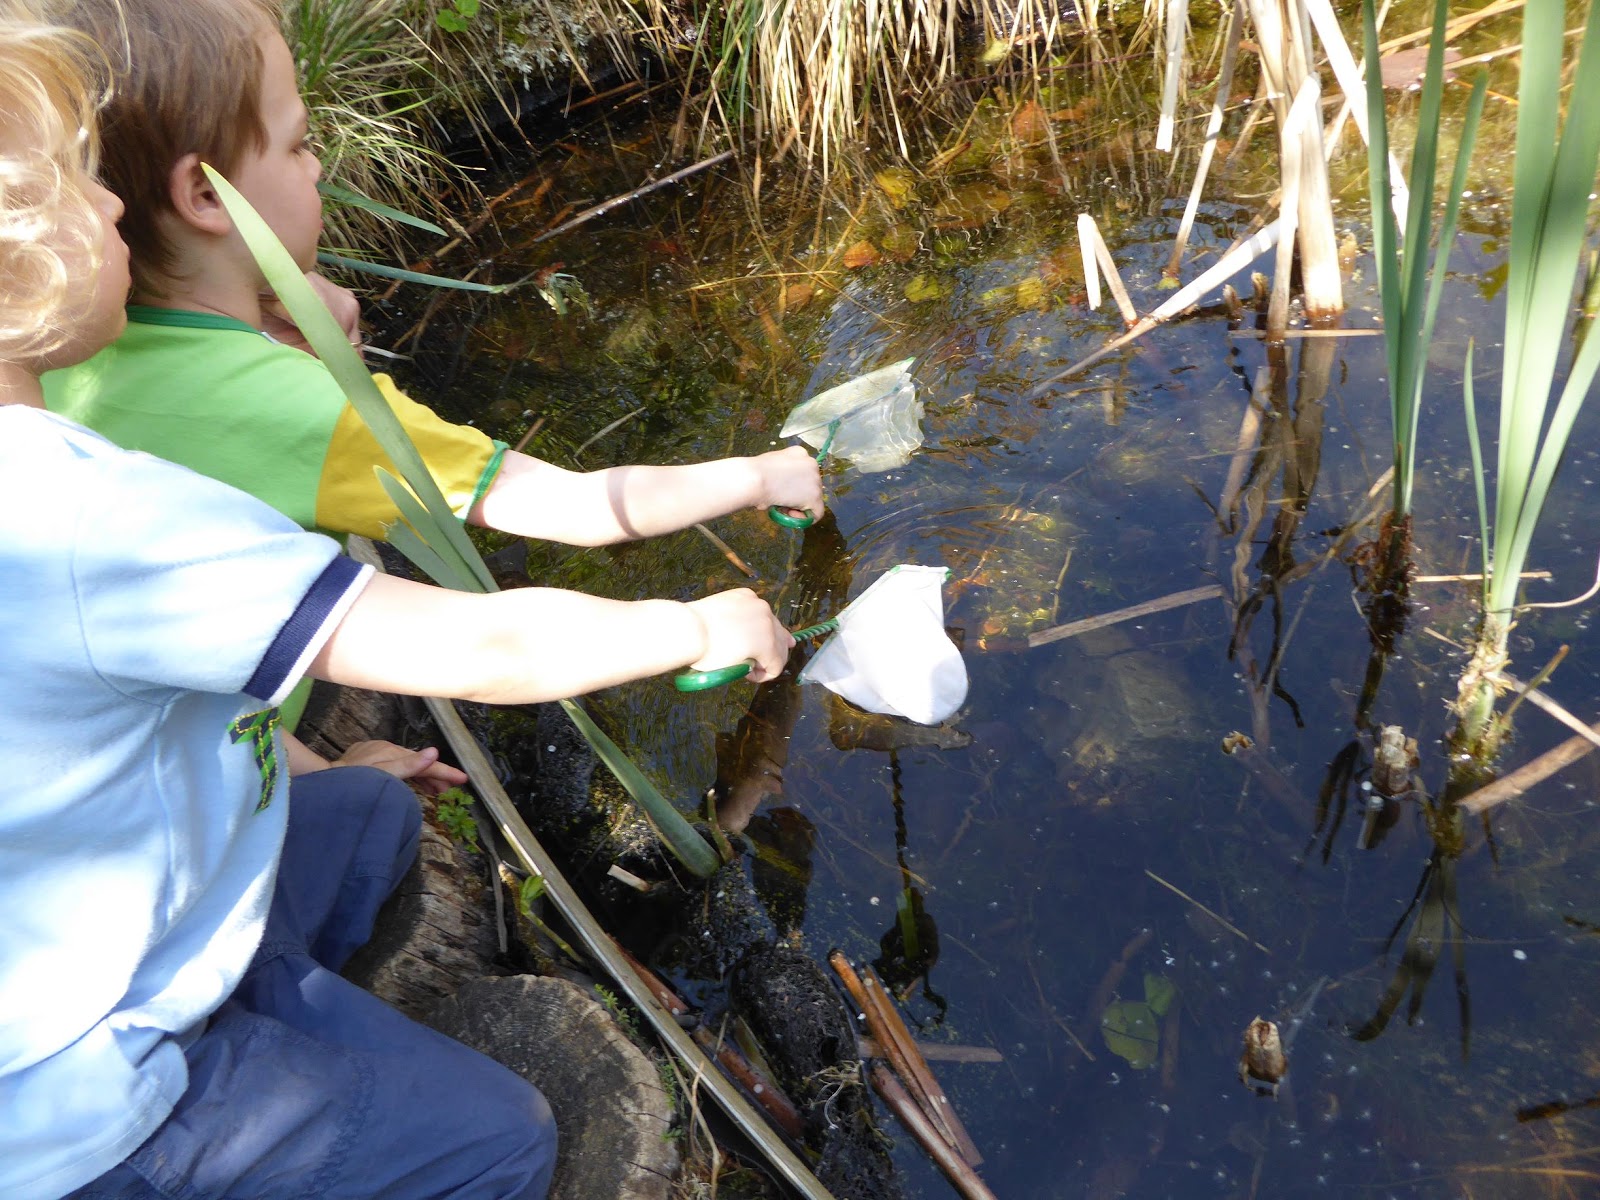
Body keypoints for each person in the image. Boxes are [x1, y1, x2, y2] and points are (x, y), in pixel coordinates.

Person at [0, 10, 794, 1199]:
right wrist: (687, 626)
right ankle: (217, 1090)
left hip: (86, 906)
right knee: (507, 1137)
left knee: (370, 817)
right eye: (73, 187)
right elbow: (476, 642)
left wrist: (293, 335)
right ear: (209, 198)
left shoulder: (67, 403)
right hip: (79, 1099)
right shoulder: (95, 518)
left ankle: (260, 1002)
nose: (106, 204)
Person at [42, 0, 824, 729]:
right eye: (298, 145)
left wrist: (281, 290)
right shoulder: (305, 412)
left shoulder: (58, 355)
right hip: (224, 772)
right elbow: (571, 513)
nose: (317, 169)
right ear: (205, 197)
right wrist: (754, 497)